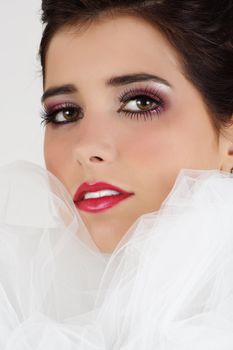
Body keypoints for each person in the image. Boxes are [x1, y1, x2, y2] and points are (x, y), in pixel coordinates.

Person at [0, 0, 232, 348]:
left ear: (228, 134)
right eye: (65, 113)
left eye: (140, 103)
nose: (86, 147)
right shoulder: (21, 308)